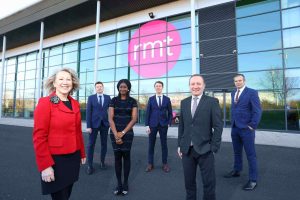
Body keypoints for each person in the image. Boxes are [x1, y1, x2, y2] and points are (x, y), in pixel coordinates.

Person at [33, 68, 86, 200]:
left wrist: (82, 153)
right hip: (56, 161)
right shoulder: (46, 103)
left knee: (67, 195)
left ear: (72, 83)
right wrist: (45, 166)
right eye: (61, 79)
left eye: (68, 79)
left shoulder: (75, 104)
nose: (65, 82)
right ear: (54, 83)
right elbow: (39, 137)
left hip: (73, 157)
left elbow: (77, 131)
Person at [178, 74, 223, 200]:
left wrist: (213, 147)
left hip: (205, 150)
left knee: (209, 184)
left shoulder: (212, 102)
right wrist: (179, 145)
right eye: (193, 84)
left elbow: (218, 127)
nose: (195, 86)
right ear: (189, 86)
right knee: (189, 183)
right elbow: (182, 126)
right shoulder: (184, 102)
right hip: (187, 150)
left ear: (204, 86)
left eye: (198, 84)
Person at [224, 74, 262, 191]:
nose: (238, 82)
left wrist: (252, 125)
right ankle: (237, 170)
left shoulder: (252, 92)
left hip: (246, 129)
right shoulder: (232, 93)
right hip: (235, 128)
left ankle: (253, 180)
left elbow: (257, 110)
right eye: (236, 81)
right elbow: (235, 109)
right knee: (237, 152)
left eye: (240, 80)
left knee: (251, 155)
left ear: (244, 81)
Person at [108, 79, 138, 195]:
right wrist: (116, 134)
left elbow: (134, 119)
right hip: (114, 132)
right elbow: (110, 118)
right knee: (117, 158)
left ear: (128, 88)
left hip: (127, 133)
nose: (123, 89)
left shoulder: (133, 101)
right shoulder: (113, 101)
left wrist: (123, 133)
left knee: (126, 157)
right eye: (121, 87)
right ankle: (118, 184)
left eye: (125, 87)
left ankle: (125, 183)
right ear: (118, 88)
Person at [145, 81, 172, 173]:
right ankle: (150, 164)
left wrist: (168, 123)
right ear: (155, 87)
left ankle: (165, 164)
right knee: (151, 145)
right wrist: (147, 125)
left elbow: (170, 112)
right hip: (152, 125)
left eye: (160, 86)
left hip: (163, 125)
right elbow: (148, 112)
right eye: (156, 86)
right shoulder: (151, 99)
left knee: (164, 145)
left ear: (162, 87)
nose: (158, 87)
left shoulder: (167, 99)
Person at [86, 81, 111, 174]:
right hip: (93, 125)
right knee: (91, 145)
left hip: (104, 124)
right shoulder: (91, 98)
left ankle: (102, 162)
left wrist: (110, 123)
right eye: (97, 87)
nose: (99, 88)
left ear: (103, 88)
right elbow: (88, 112)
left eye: (101, 86)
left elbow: (111, 111)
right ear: (95, 88)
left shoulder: (108, 98)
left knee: (104, 144)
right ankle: (90, 165)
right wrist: (88, 126)